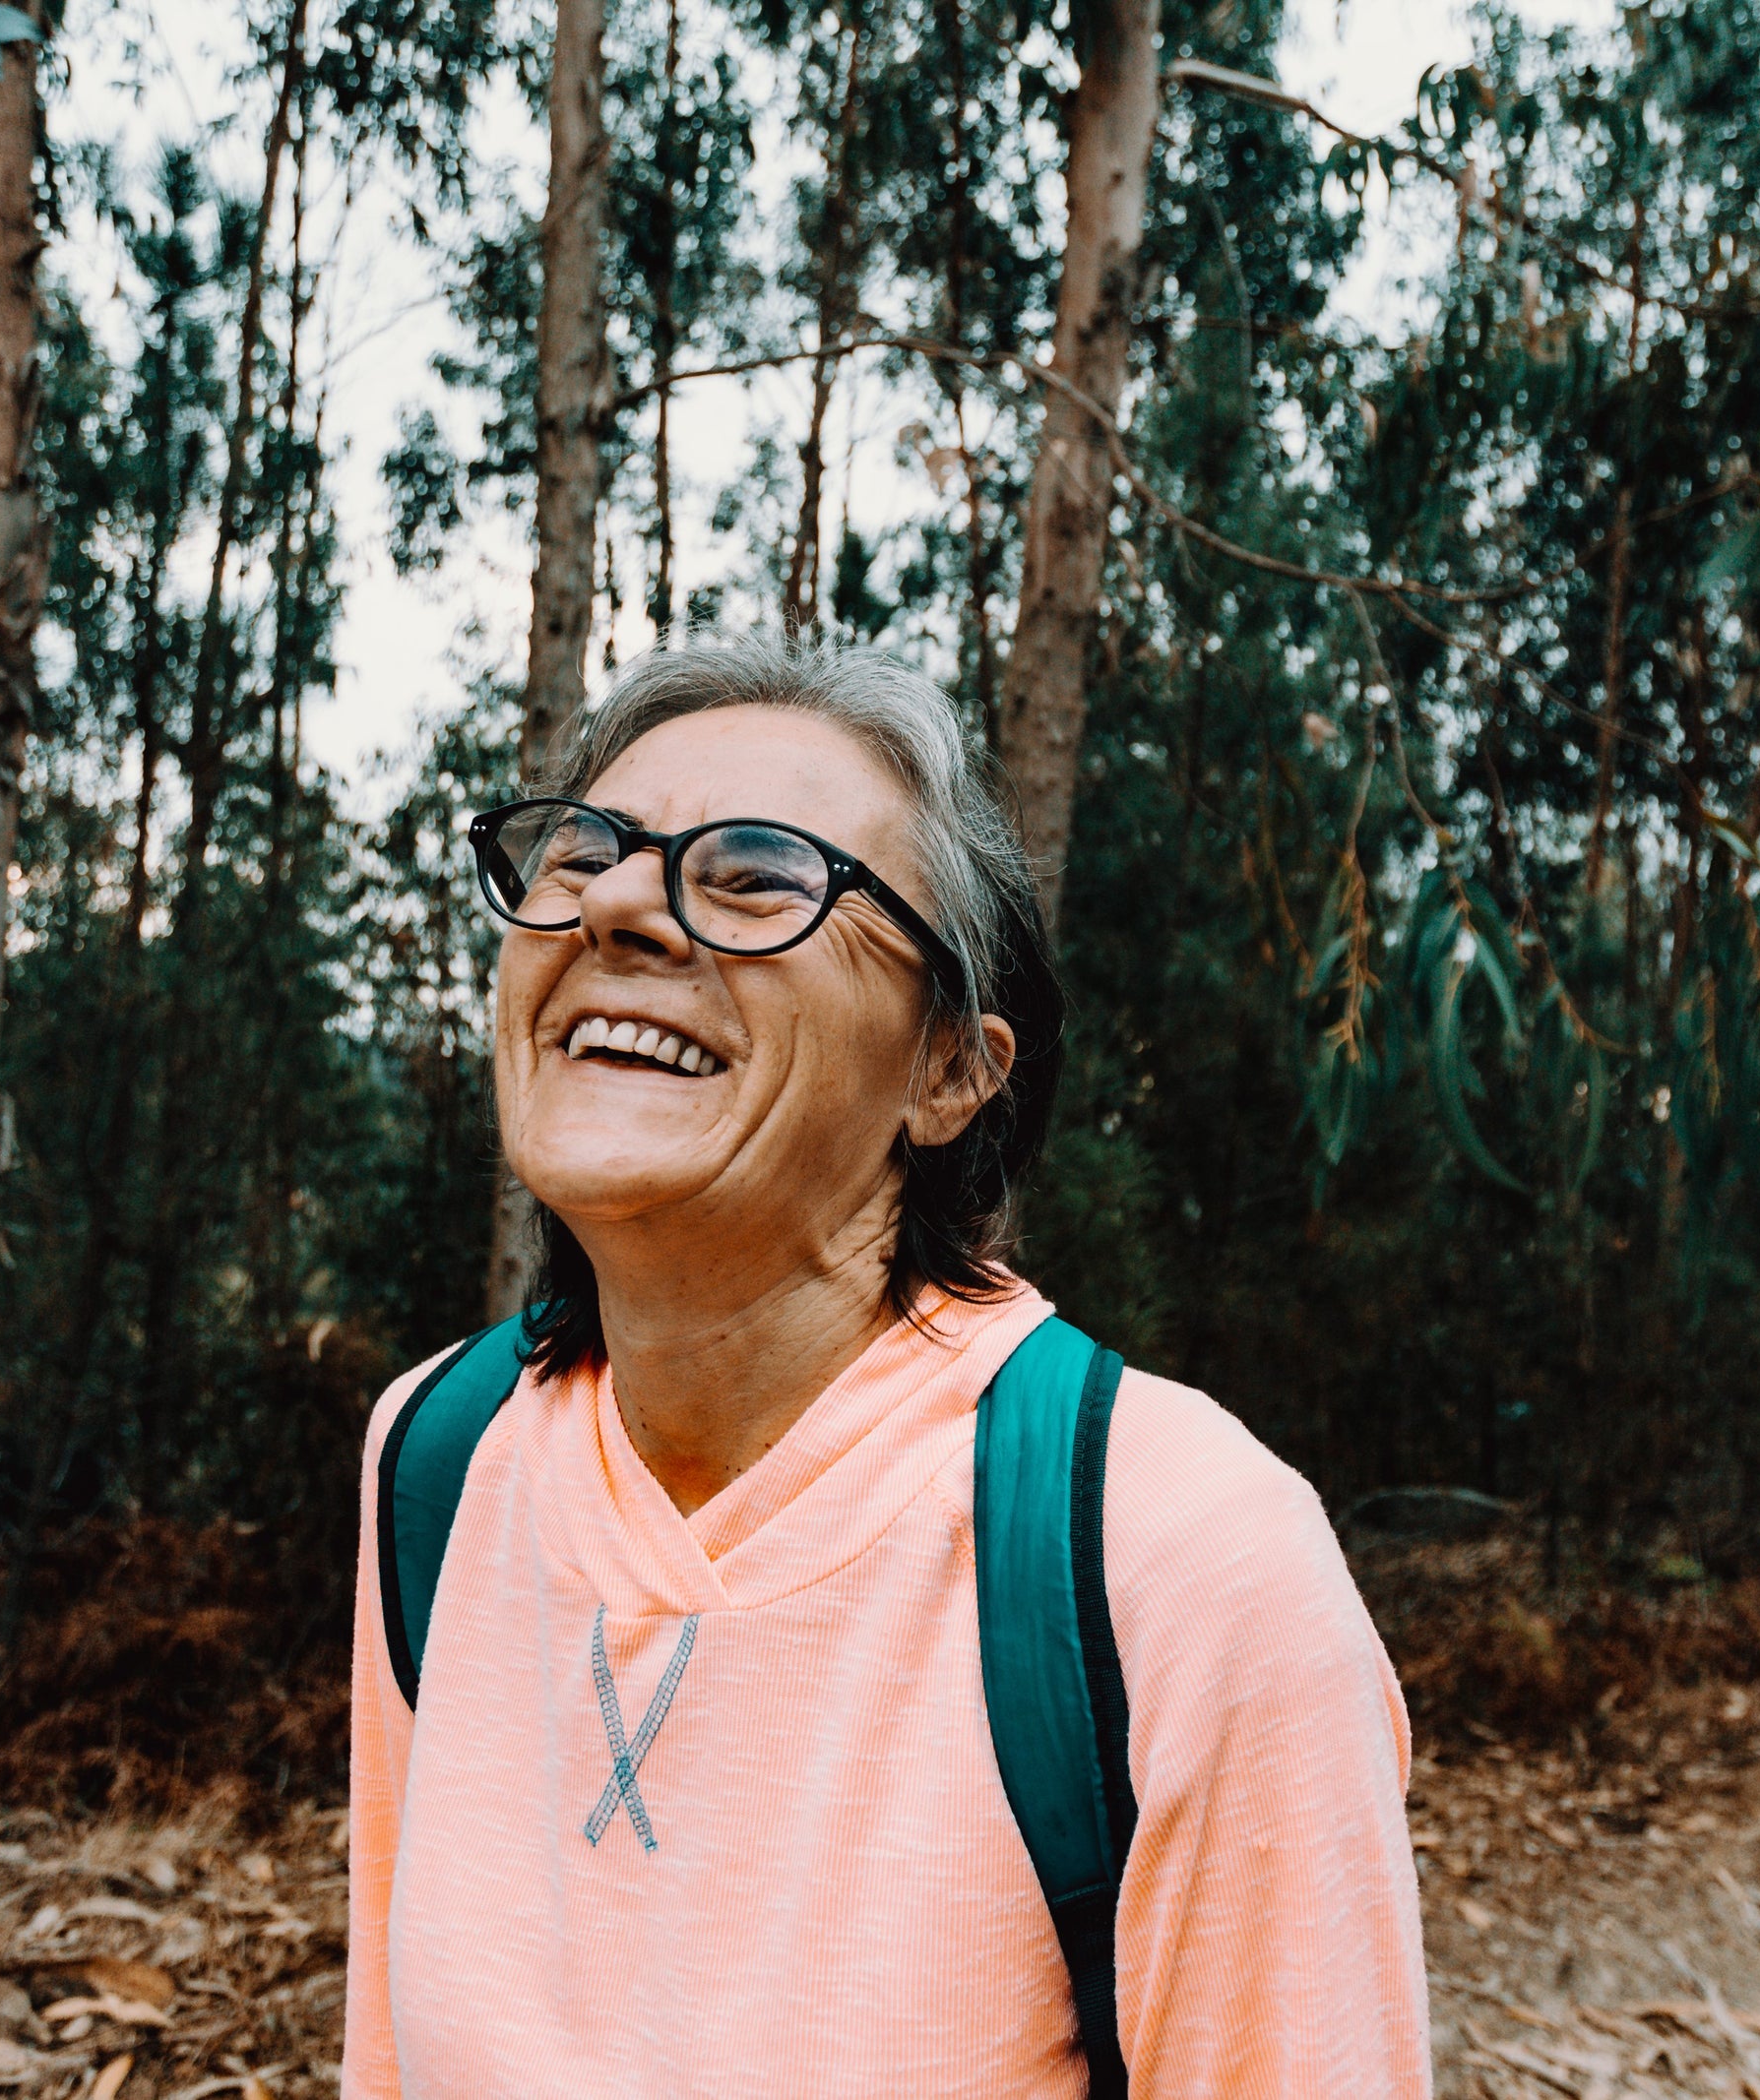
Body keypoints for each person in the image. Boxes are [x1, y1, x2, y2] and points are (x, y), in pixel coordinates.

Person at [343, 641, 1429, 2097]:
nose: (612, 904)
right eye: (582, 851)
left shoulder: (1184, 1558)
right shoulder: (436, 1454)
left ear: (949, 1070)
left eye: (755, 875)